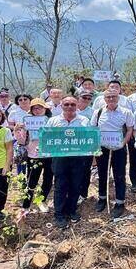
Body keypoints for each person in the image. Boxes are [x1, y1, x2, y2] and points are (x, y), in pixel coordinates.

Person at [45, 96, 92, 228]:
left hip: (79, 157)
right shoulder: (53, 121)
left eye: (72, 104)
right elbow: (47, 137)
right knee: (60, 185)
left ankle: (71, 210)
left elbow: (90, 138)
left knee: (76, 184)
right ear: (61, 106)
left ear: (77, 105)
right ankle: (59, 214)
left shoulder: (84, 121)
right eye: (66, 104)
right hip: (59, 158)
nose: (69, 107)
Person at [91, 90, 134, 218]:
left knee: (119, 176)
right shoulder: (98, 112)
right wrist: (95, 147)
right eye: (108, 97)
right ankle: (102, 198)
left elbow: (130, 129)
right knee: (103, 174)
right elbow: (93, 129)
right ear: (104, 99)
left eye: (113, 97)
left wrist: (123, 143)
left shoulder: (126, 112)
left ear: (118, 98)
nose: (111, 99)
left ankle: (120, 202)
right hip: (102, 148)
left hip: (119, 148)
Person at [18, 98, 53, 213]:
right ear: (31, 110)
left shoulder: (52, 121)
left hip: (49, 154)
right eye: (34, 108)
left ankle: (41, 200)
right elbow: (22, 141)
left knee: (48, 179)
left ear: (45, 109)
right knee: (32, 180)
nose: (37, 110)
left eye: (40, 108)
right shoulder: (26, 122)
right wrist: (17, 131)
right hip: (33, 155)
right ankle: (26, 205)